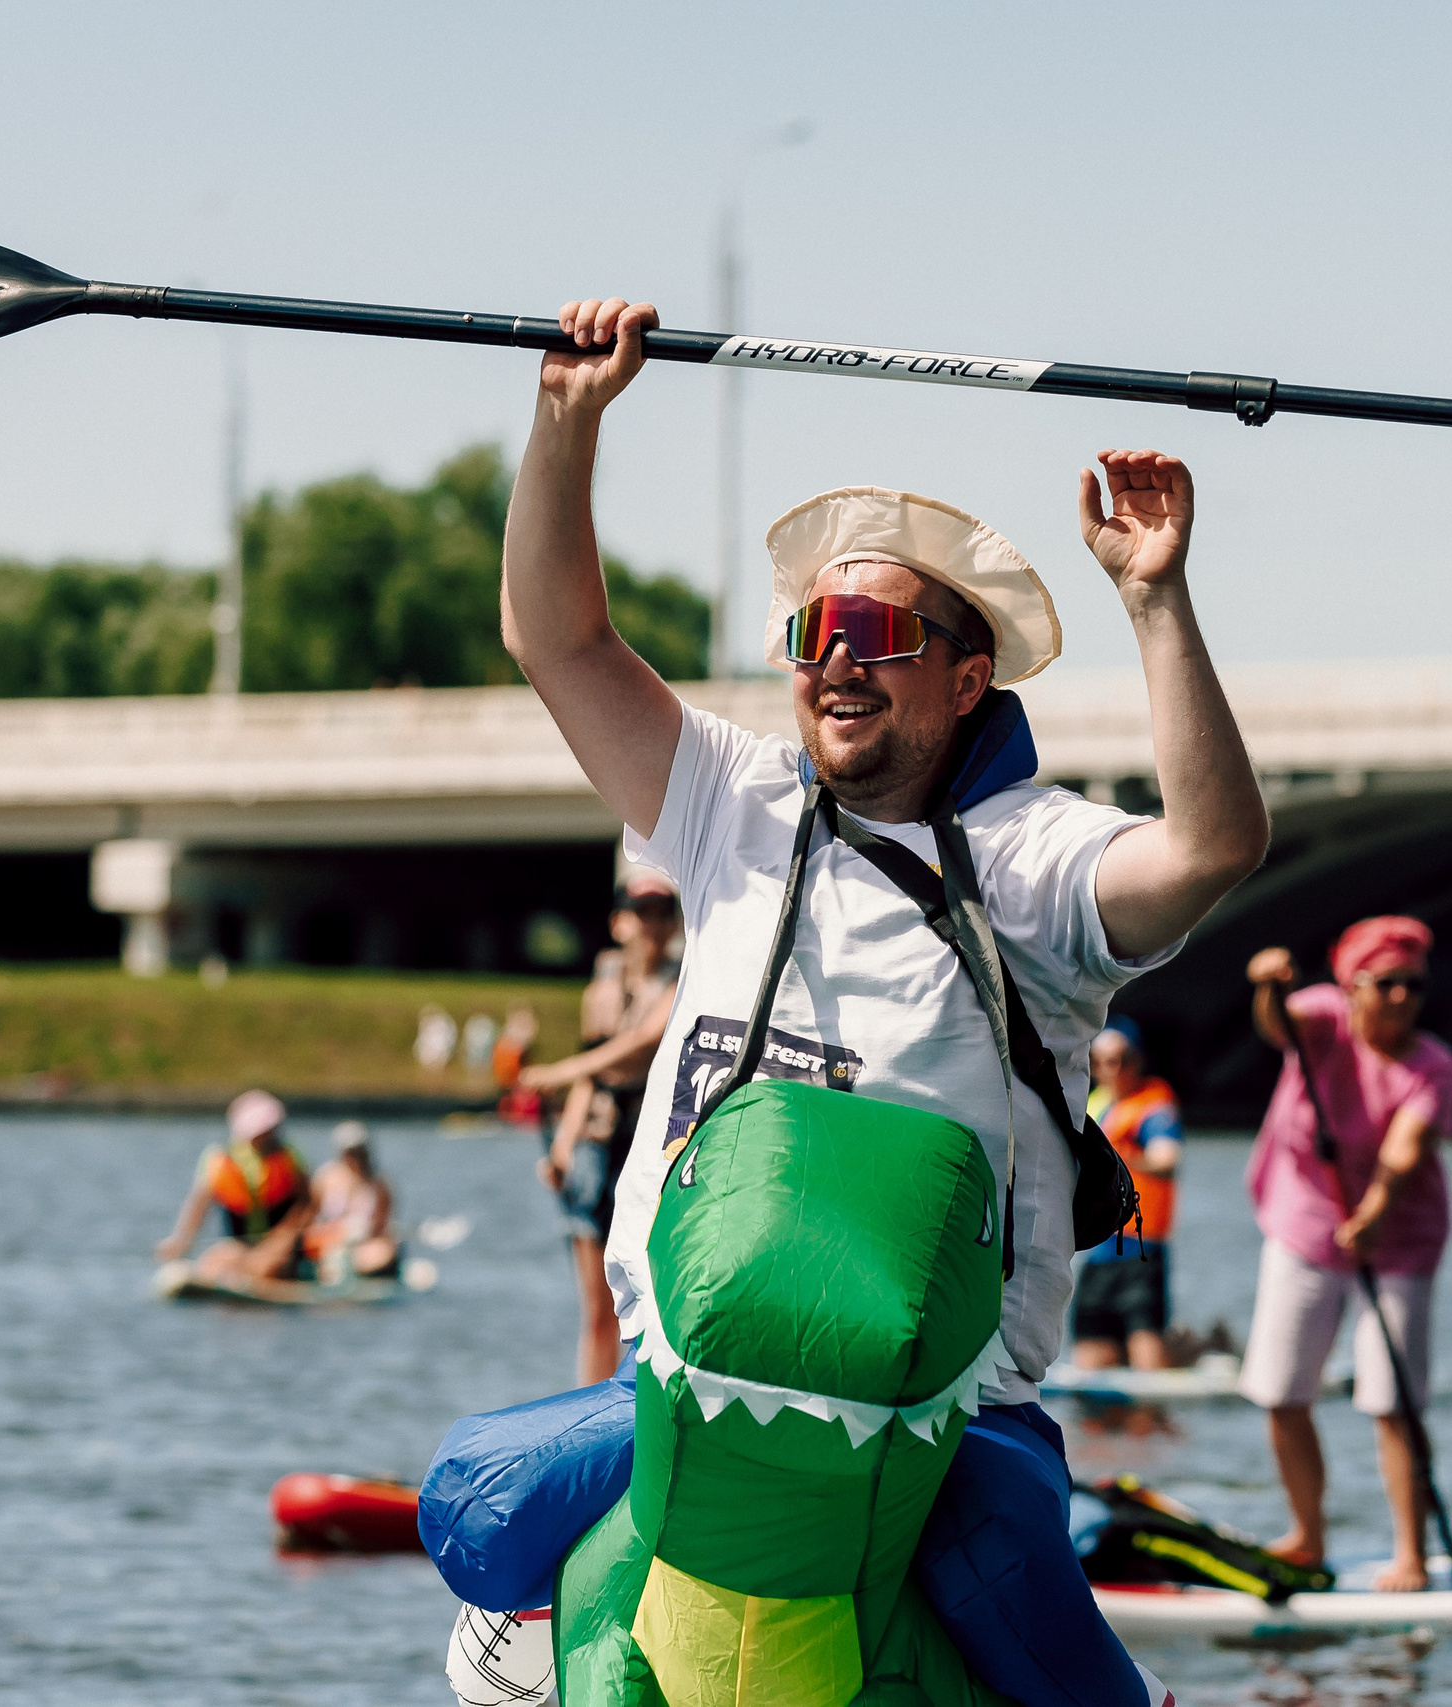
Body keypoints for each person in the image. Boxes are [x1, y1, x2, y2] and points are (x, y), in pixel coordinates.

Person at [493, 293, 1267, 1707]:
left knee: (992, 1564)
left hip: (951, 1420)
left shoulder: (1033, 859)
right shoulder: (724, 797)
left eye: (878, 629)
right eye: (811, 625)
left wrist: (1155, 599)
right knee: (485, 1520)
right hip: (692, 1397)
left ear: (970, 676)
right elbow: (562, 642)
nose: (834, 654)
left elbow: (1213, 846)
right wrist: (564, 425)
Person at [1240, 916, 1452, 1593]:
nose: (1401, 998)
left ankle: (1412, 1557)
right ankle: (1307, 1535)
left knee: (1392, 1400)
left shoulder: (1433, 1064)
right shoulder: (1324, 1019)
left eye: (1413, 986)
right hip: (1305, 1221)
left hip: (1399, 1237)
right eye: (1386, 984)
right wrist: (1267, 981)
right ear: (1352, 985)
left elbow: (1406, 1143)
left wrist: (1375, 1209)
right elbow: (1278, 1025)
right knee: (1281, 1390)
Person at [525, 873, 682, 1385]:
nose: (653, 926)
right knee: (596, 1304)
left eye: (664, 913)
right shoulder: (604, 986)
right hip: (596, 1145)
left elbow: (640, 1042)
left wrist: (557, 1072)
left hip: (649, 1144)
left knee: (646, 1298)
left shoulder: (685, 979)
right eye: (642, 914)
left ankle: (637, 1403)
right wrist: (563, 1148)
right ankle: (586, 1402)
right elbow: (592, 1071)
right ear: (619, 924)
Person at [1070, 1017, 1184, 1371]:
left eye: (1118, 1061)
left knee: (1145, 1351)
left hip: (1141, 1248)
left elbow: (1167, 1159)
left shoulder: (1154, 1105)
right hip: (1098, 1250)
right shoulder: (1094, 1104)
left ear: (1135, 1062)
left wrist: (1121, 1155)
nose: (1109, 1070)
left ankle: (1185, 1352)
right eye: (1100, 1061)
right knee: (1090, 1353)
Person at [155, 1089, 315, 1281]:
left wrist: (283, 1238)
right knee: (213, 1264)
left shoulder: (289, 1156)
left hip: (283, 1244)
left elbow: (309, 1203)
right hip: (238, 1244)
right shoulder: (219, 1159)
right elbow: (199, 1205)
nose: (269, 1134)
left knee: (268, 1267)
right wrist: (181, 1242)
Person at [306, 1121, 399, 1281]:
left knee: (383, 1253)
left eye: (359, 1152)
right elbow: (309, 1216)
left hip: (364, 1244)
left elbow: (382, 1224)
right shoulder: (325, 1177)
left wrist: (363, 1231)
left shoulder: (380, 1184)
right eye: (350, 1152)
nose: (355, 1157)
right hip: (327, 1240)